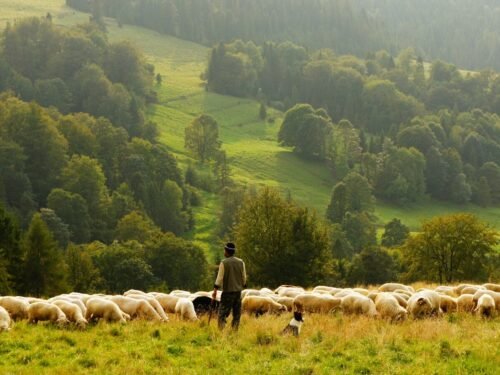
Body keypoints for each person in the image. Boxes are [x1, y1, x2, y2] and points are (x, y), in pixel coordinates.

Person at [212, 242, 246, 330]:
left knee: (222, 314)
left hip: (227, 293)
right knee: (236, 314)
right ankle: (234, 332)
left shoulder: (224, 263)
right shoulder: (241, 262)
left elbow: (219, 278)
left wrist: (215, 289)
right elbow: (244, 277)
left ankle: (221, 332)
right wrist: (243, 285)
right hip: (238, 292)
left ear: (226, 251)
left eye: (224, 250)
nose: (224, 252)